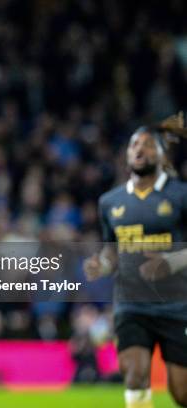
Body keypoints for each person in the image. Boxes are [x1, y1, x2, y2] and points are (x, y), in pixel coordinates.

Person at [84, 126, 187, 408]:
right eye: (133, 145)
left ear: (162, 155)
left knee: (182, 393)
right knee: (134, 375)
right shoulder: (109, 202)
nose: (139, 150)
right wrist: (102, 264)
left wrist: (171, 261)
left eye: (147, 145)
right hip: (132, 305)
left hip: (177, 306)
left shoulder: (181, 195)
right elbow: (112, 251)